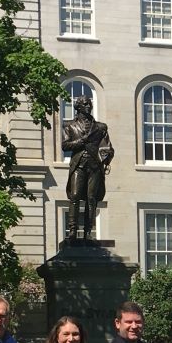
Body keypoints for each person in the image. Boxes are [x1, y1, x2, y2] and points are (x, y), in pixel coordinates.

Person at [61, 95, 113, 240]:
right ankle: (72, 230)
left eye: (89, 104)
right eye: (85, 104)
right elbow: (65, 145)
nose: (89, 106)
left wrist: (106, 156)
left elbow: (107, 147)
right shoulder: (69, 126)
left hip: (94, 166)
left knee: (91, 198)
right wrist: (81, 141)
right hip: (79, 165)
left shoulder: (100, 127)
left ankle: (88, 232)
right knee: (75, 196)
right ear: (78, 107)